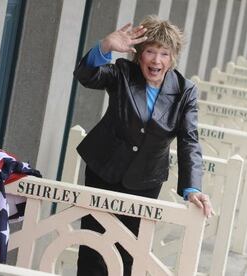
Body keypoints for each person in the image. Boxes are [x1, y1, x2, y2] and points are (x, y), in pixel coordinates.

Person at [73, 15, 213, 276]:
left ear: (172, 59)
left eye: (164, 53)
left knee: (130, 252)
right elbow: (86, 76)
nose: (156, 60)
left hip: (145, 181)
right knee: (93, 247)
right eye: (150, 51)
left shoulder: (185, 91)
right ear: (139, 54)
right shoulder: (123, 73)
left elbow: (189, 140)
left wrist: (192, 188)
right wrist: (104, 47)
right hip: (103, 169)